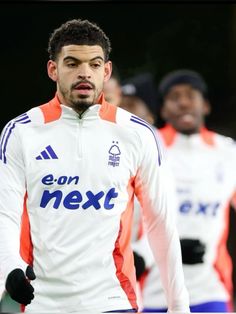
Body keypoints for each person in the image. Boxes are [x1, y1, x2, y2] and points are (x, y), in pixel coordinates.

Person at [0, 19, 190, 313]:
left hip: (112, 300)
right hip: (42, 303)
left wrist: (179, 306)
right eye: (72, 63)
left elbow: (160, 223)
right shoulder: (21, 132)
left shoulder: (136, 133)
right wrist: (9, 267)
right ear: (53, 69)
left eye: (94, 64)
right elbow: (5, 214)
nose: (84, 73)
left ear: (107, 70)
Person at [141, 69, 236, 313]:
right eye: (174, 97)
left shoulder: (228, 152)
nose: (183, 102)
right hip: (152, 291)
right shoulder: (149, 147)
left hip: (209, 289)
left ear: (205, 105)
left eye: (190, 95)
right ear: (163, 110)